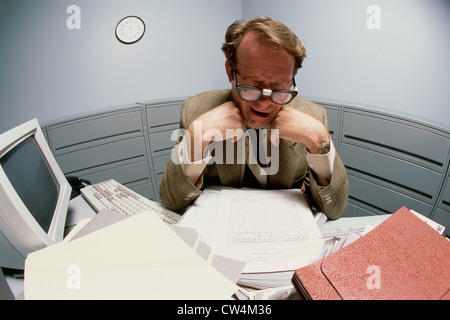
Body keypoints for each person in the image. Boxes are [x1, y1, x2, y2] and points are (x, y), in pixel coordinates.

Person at [159, 16, 348, 219]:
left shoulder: (314, 117)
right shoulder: (195, 110)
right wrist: (197, 136)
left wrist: (319, 140)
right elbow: (172, 201)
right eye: (252, 86)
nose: (265, 102)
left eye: (279, 87)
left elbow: (334, 210)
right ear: (231, 72)